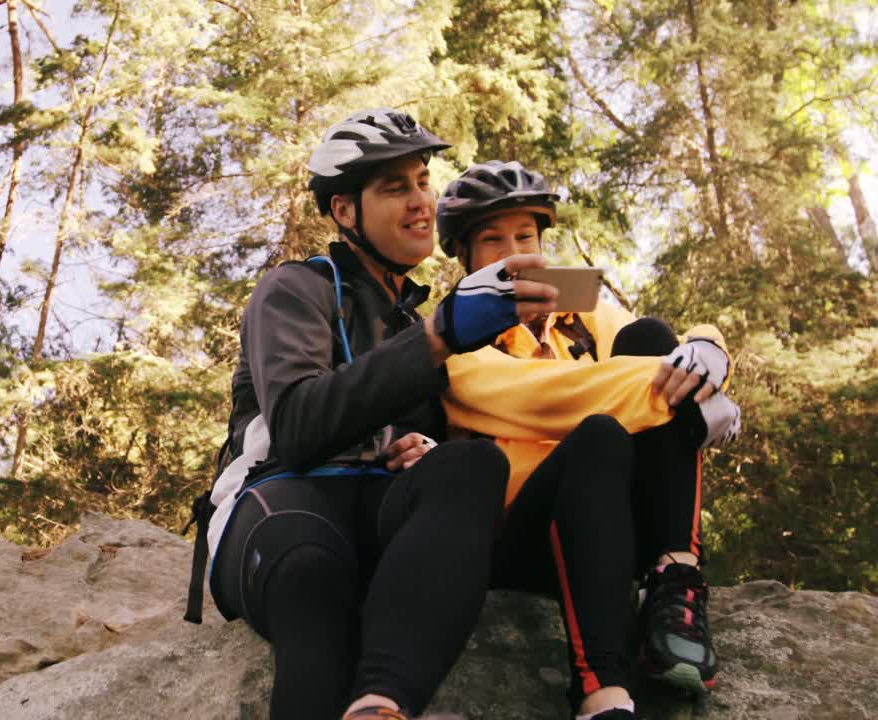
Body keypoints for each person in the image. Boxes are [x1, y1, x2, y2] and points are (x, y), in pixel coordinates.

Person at [184, 109, 572, 720]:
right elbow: (298, 427)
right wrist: (440, 336)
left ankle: (381, 705)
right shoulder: (294, 290)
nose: (422, 201)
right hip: (284, 502)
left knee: (470, 466)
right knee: (315, 580)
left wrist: (423, 445)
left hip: (381, 511)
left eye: (422, 180)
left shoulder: (420, 324)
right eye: (396, 188)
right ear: (344, 210)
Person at [434, 161, 743, 713]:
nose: (514, 252)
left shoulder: (582, 314)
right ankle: (602, 691)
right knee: (599, 432)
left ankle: (676, 581)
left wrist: (709, 352)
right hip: (523, 530)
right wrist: (692, 400)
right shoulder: (455, 342)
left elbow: (663, 347)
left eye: (525, 236)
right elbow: (549, 397)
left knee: (647, 336)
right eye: (492, 240)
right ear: (464, 257)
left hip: (614, 521)